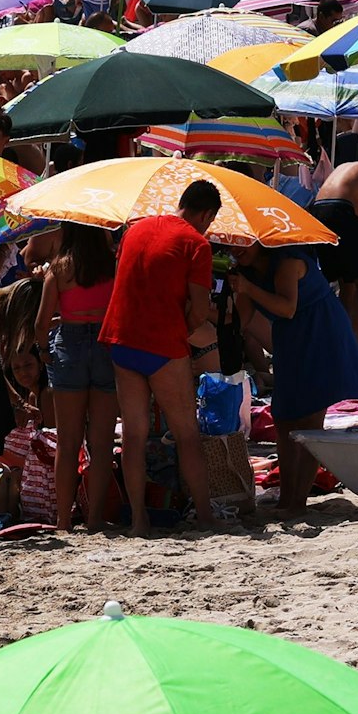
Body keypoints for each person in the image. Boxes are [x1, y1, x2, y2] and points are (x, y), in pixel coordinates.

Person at [101, 179, 224, 535]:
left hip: (122, 338)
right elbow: (198, 310)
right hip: (162, 343)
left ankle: (139, 520)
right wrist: (183, 332)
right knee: (186, 434)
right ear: (207, 215)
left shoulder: (135, 230)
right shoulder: (196, 243)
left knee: (134, 435)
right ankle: (205, 516)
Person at [231, 240, 358, 514]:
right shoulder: (245, 274)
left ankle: (297, 502)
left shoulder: (287, 261)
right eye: (232, 244)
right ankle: (287, 499)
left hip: (321, 332)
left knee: (309, 421)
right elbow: (239, 321)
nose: (237, 249)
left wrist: (248, 288)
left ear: (260, 242)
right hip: (291, 339)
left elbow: (287, 308)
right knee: (283, 418)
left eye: (244, 243)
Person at [35, 223, 119, 530]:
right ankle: (95, 517)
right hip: (105, 345)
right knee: (102, 442)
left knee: (68, 442)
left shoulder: (59, 269)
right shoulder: (112, 265)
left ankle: (63, 519)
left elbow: (41, 323)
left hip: (69, 345)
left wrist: (44, 352)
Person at [307, 158, 358, 337]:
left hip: (319, 211)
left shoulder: (356, 174)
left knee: (348, 284)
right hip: (338, 209)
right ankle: (353, 346)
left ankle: (339, 338)